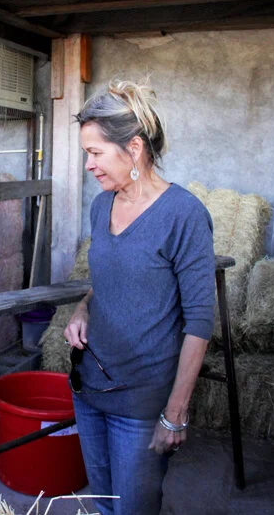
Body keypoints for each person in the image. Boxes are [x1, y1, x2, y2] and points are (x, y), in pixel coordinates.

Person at [63, 80, 216, 515]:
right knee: (104, 504)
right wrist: (82, 309)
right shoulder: (101, 206)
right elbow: (107, 280)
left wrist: (175, 411)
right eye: (86, 154)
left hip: (142, 403)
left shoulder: (183, 215)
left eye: (95, 153)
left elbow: (199, 320)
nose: (89, 165)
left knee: (133, 509)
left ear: (133, 149)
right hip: (89, 387)